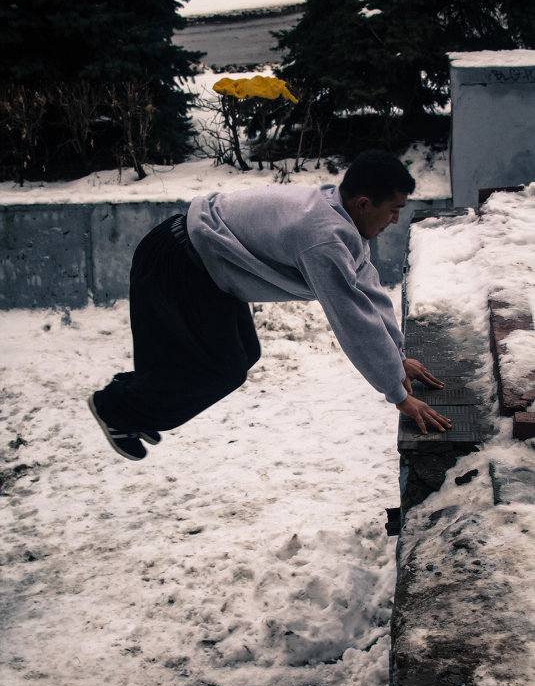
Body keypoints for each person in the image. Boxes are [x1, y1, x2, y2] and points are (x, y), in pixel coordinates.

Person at [88, 149, 451, 461]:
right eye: (393, 210)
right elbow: (352, 319)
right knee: (223, 369)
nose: (395, 220)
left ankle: (139, 409)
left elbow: (367, 291)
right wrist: (398, 395)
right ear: (364, 203)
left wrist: (397, 354)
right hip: (180, 262)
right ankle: (118, 409)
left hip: (202, 264)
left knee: (243, 354)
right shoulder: (322, 239)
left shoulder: (341, 220)